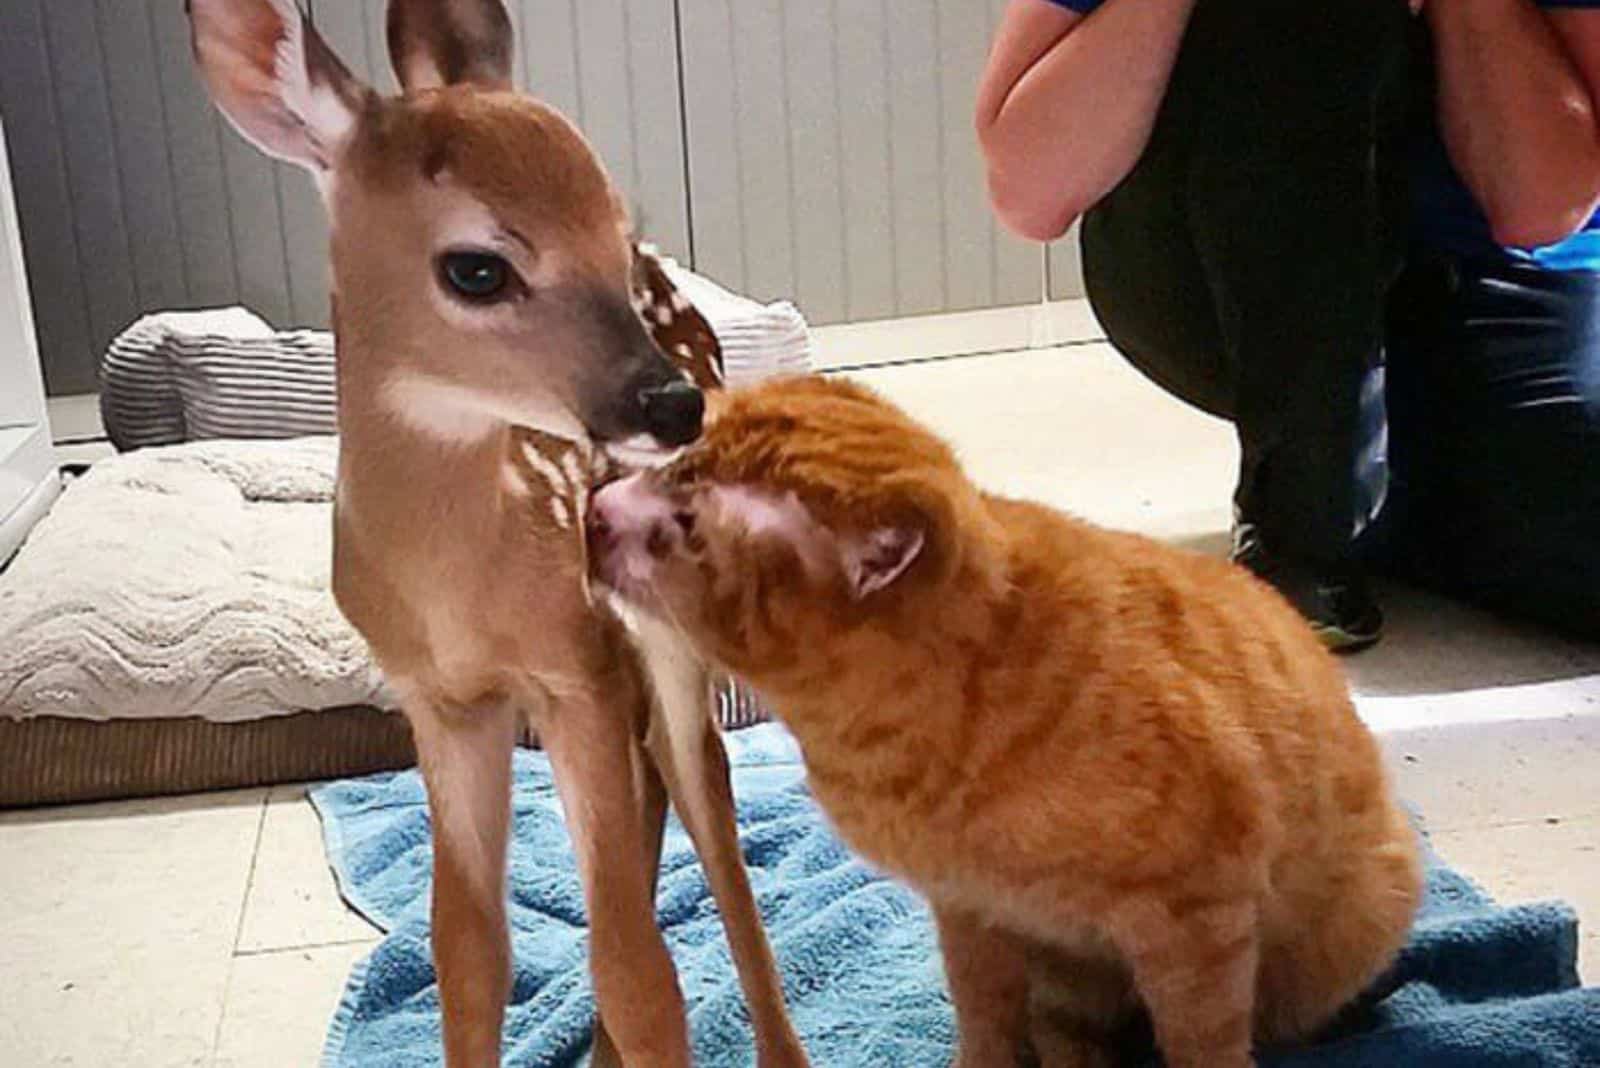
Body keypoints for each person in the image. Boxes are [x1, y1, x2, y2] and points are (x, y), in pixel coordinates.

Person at [977, 0, 1600, 650]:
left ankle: (1392, 495)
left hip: (1493, 287)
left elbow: (1542, 209)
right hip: (1230, 272)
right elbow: (1031, 194)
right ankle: (1306, 517)